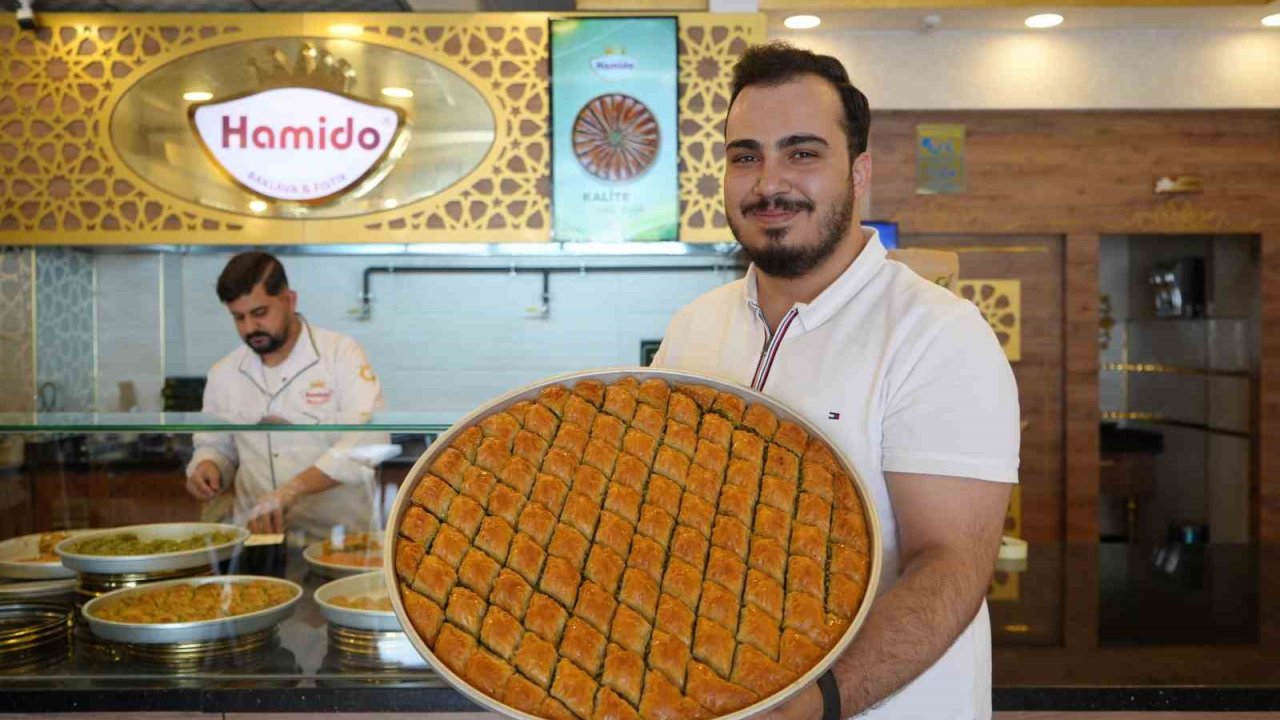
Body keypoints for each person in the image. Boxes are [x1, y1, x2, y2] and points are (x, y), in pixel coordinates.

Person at [652, 43, 1019, 719]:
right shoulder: (691, 330)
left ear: (859, 172)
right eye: (745, 155)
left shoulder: (938, 335)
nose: (768, 182)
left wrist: (816, 703)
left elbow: (951, 565)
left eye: (802, 152)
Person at [185, 251, 389, 541]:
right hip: (256, 539)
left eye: (259, 313)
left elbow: (369, 440)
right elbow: (217, 445)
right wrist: (208, 465)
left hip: (338, 540)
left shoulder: (340, 354)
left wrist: (291, 490)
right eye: (238, 317)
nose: (249, 328)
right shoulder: (224, 372)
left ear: (289, 300)